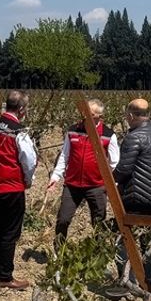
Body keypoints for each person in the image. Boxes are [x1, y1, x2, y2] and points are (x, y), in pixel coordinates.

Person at [108, 98, 151, 297]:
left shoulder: (134, 137)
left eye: (127, 116)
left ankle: (128, 284)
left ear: (132, 116)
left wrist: (109, 180)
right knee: (150, 242)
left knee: (124, 239)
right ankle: (149, 284)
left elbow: (125, 169)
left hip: (135, 197)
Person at [0, 90, 37, 289]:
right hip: (11, 185)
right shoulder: (18, 130)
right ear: (21, 109)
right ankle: (5, 276)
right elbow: (28, 160)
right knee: (10, 232)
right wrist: (28, 180)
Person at [47, 99, 119, 247]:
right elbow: (65, 155)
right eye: (84, 113)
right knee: (63, 219)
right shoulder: (73, 130)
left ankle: (98, 254)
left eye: (90, 114)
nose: (85, 117)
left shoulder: (108, 134)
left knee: (98, 222)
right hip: (72, 185)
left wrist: (110, 183)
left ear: (99, 115)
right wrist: (55, 176)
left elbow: (114, 162)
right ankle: (58, 252)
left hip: (96, 186)